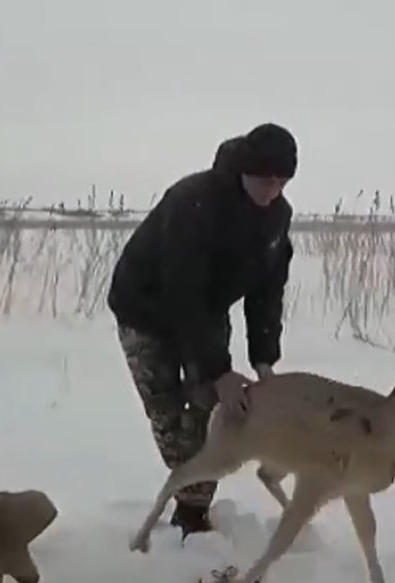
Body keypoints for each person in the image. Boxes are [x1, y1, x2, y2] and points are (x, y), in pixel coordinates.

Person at [107, 122, 298, 537]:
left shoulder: (277, 218)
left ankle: (193, 514)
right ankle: (185, 499)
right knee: (170, 415)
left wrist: (264, 358)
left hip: (207, 312)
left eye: (282, 182)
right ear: (245, 171)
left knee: (213, 410)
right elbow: (183, 291)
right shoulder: (194, 202)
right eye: (265, 180)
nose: (272, 190)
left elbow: (267, 290)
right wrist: (219, 369)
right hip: (145, 310)